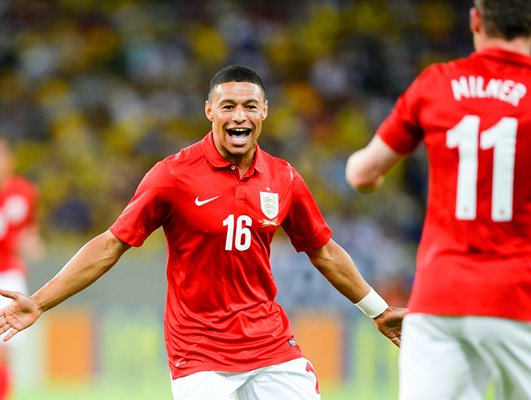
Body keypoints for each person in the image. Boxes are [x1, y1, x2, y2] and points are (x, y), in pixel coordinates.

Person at [0, 65, 405, 400]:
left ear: (264, 111)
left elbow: (324, 251)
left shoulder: (284, 179)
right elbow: (111, 245)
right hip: (198, 353)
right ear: (209, 110)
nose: (239, 116)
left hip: (269, 345)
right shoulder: (173, 176)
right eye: (227, 106)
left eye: (249, 106)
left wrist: (379, 310)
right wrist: (39, 301)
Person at [345, 1, 531, 399]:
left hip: (440, 301)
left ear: (475, 20)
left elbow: (362, 174)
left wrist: (366, 174)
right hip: (525, 299)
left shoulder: (434, 84)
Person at [0, 136, 44, 400]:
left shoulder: (24, 192)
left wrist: (33, 244)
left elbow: (29, 231)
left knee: (5, 347)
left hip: (8, 277)